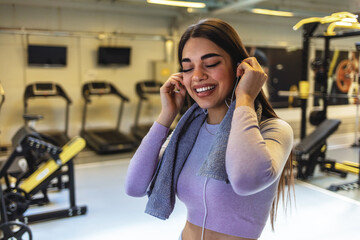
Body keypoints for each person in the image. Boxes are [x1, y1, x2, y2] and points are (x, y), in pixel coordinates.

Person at [125, 18, 294, 240]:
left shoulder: (273, 130)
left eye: (211, 63)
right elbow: (134, 186)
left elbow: (245, 180)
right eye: (187, 67)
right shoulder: (190, 131)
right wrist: (166, 115)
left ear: (239, 68)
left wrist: (244, 98)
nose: (196, 76)